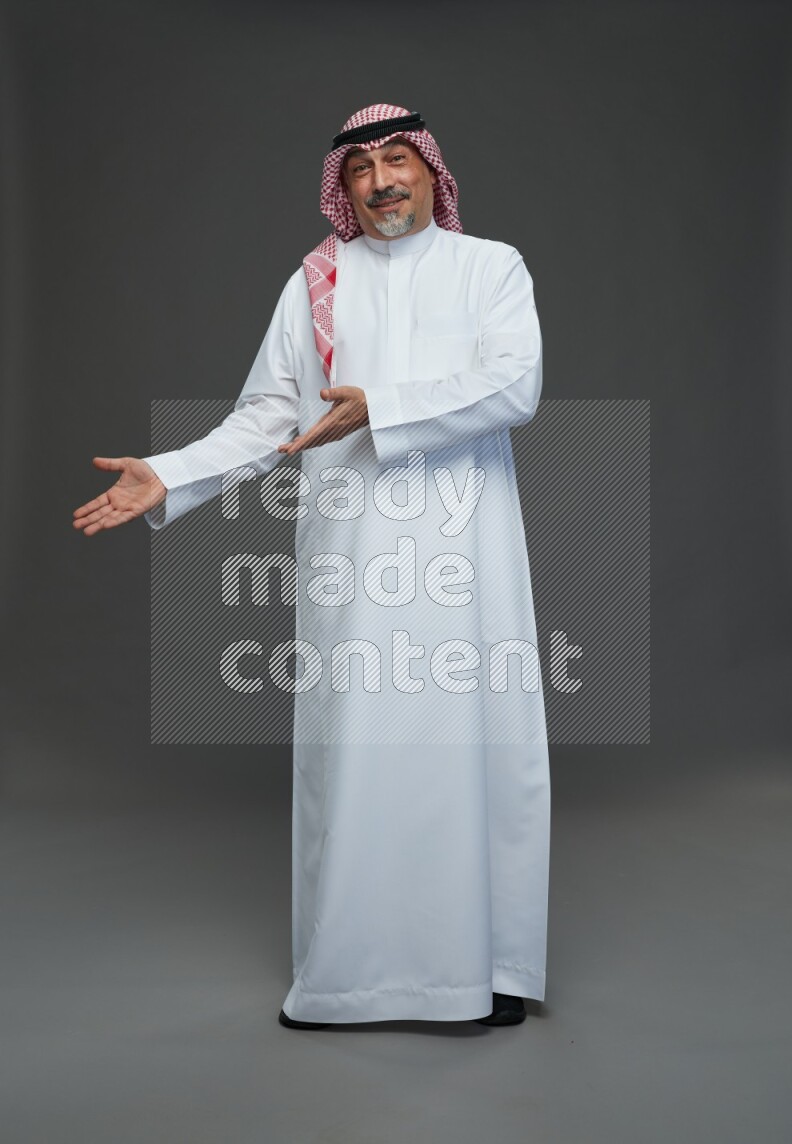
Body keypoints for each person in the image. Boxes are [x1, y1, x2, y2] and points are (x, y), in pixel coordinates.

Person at [73, 103, 550, 1030]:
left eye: (399, 158)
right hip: (354, 553)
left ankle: (486, 970)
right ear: (346, 186)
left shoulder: (491, 267)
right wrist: (167, 474)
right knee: (360, 757)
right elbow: (266, 417)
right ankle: (353, 980)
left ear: (430, 171)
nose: (382, 180)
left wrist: (381, 405)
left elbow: (514, 384)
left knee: (474, 749)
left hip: (466, 556)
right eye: (363, 166)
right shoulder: (319, 281)